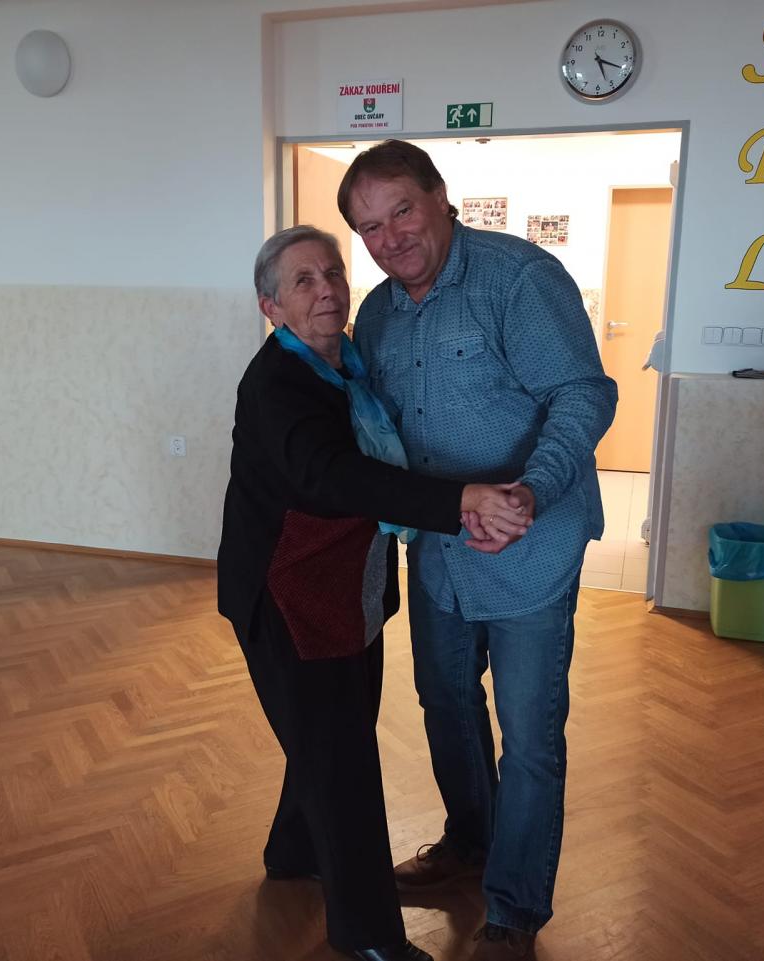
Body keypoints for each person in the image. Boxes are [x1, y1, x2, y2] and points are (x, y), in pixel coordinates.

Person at [217, 225, 532, 961]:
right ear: (271, 307)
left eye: (332, 272)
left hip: (343, 591)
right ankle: (367, 936)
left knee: (332, 734)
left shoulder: (347, 367)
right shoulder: (279, 384)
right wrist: (460, 499)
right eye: (303, 280)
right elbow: (333, 478)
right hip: (290, 599)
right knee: (344, 763)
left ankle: (295, 850)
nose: (326, 288)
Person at [337, 141, 618, 960]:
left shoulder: (518, 280)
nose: (390, 237)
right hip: (441, 554)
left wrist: (530, 489)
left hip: (532, 550)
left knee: (528, 735)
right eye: (369, 227)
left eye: (402, 210)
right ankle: (469, 840)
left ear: (440, 196)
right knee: (446, 704)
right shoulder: (379, 314)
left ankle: (515, 906)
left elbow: (584, 394)